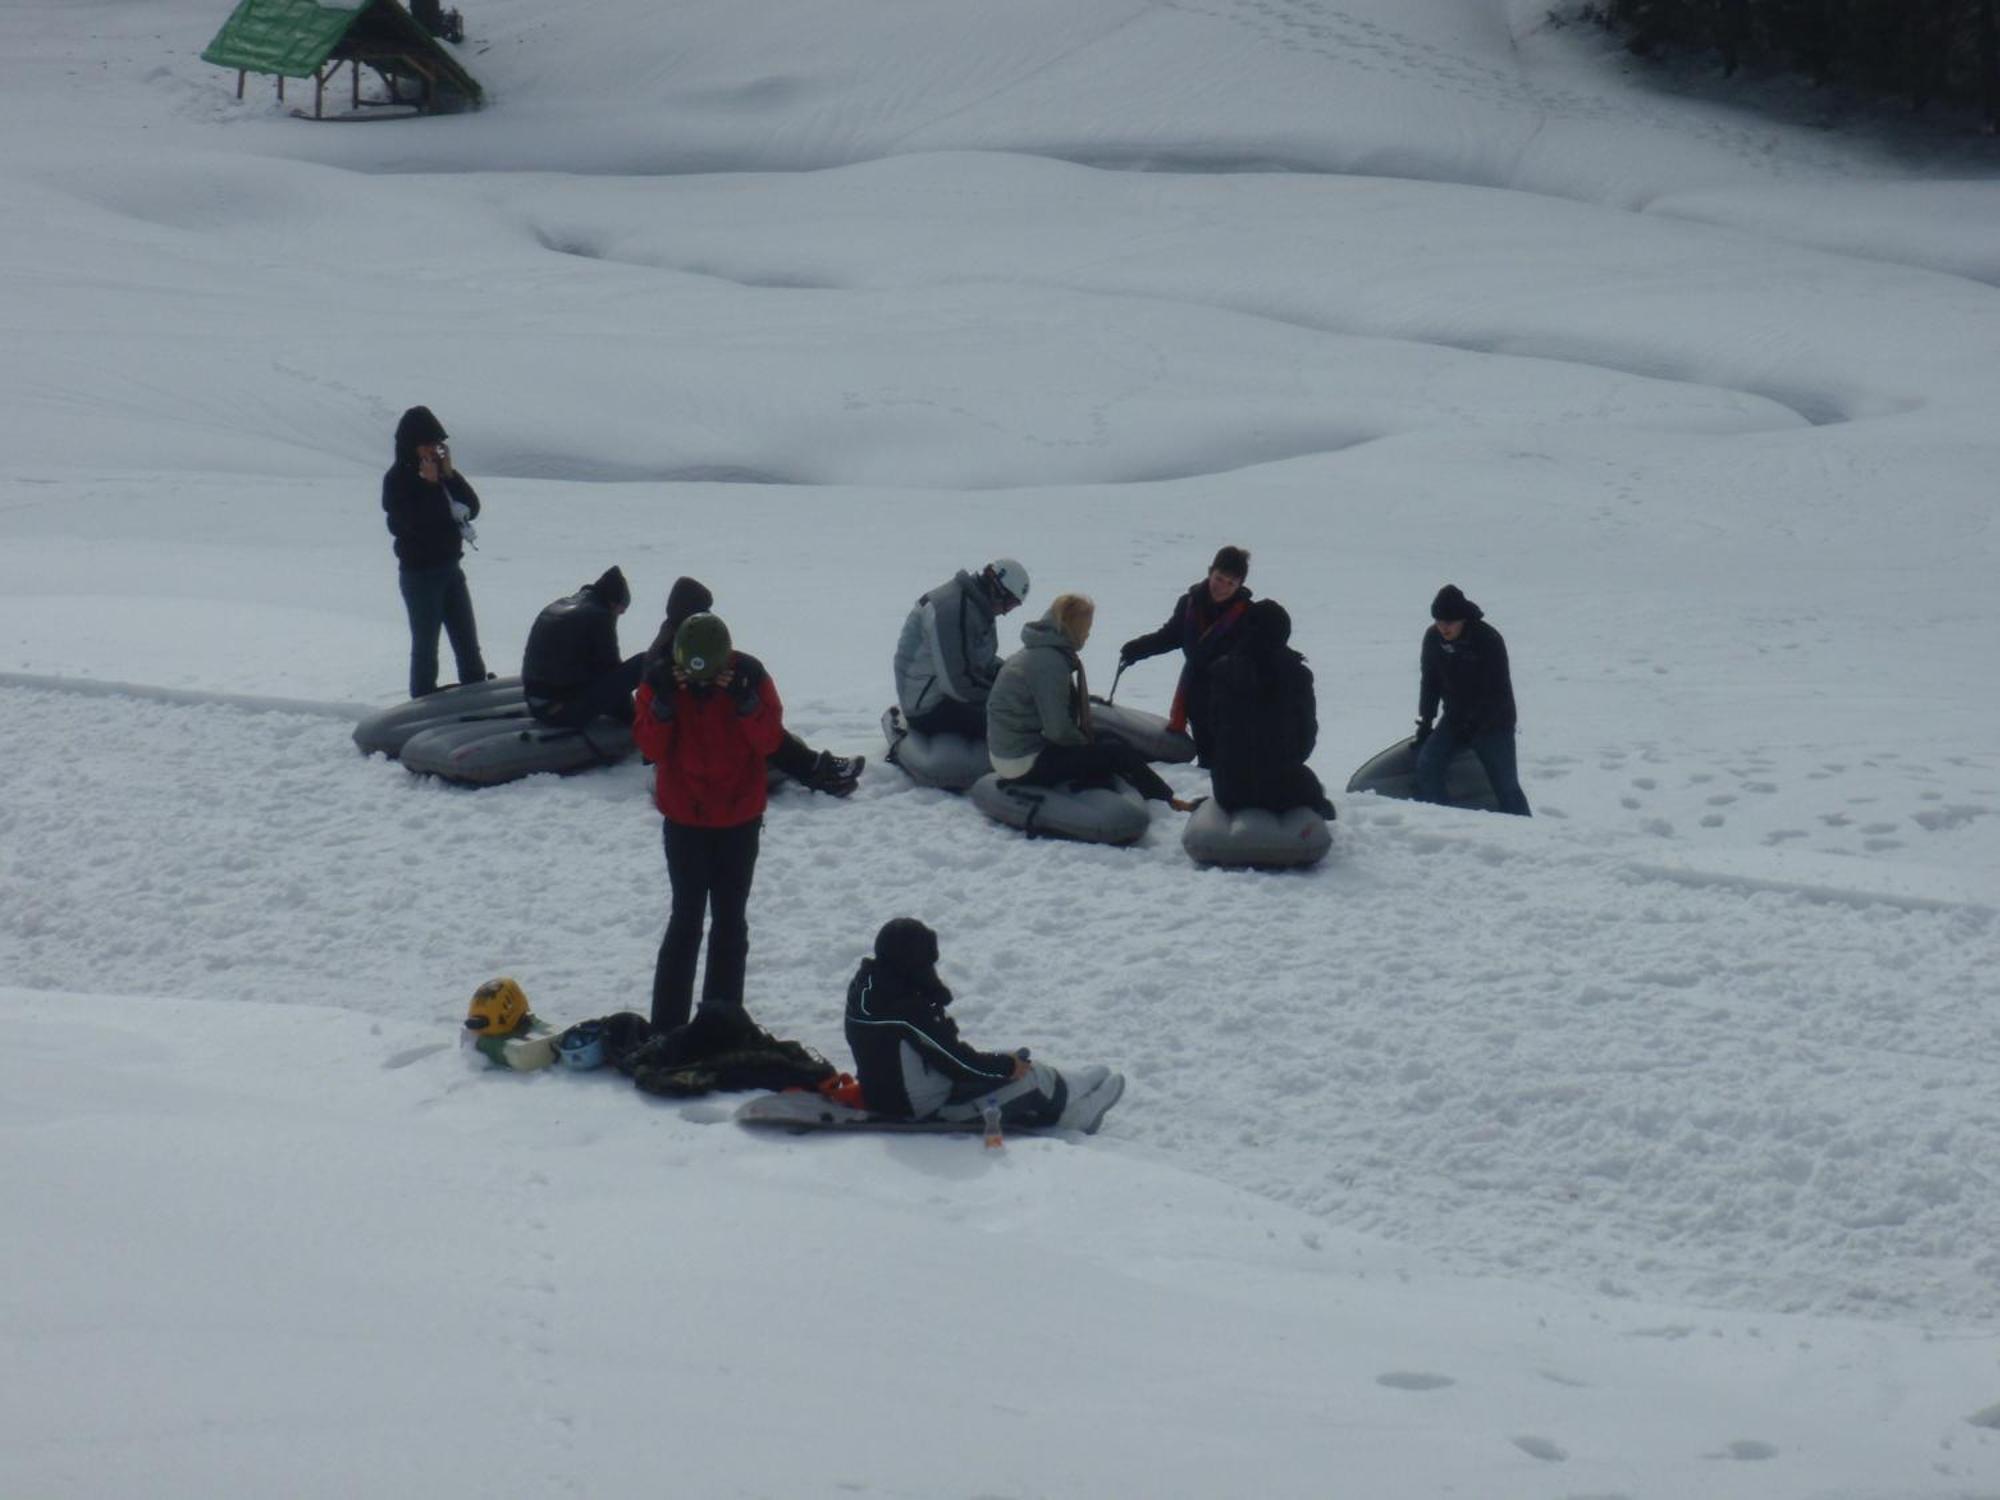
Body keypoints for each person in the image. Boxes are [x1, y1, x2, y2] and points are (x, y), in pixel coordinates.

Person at [632, 612, 784, 1033]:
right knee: (686, 919)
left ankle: (721, 1021)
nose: (698, 687)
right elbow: (648, 746)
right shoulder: (661, 680)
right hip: (685, 820)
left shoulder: (750, 675)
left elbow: (771, 740)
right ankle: (667, 1025)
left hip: (739, 819)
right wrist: (662, 707)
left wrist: (746, 704)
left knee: (730, 921)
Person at [641, 576, 862, 796]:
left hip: (697, 752)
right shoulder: (671, 660)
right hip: (693, 761)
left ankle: (815, 767)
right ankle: (817, 771)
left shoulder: (670, 642)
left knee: (769, 733)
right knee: (769, 739)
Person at [986, 593, 1185, 806]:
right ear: (1072, 627)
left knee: (1108, 739)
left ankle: (1155, 793)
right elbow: (1058, 730)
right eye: (1086, 627)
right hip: (1021, 761)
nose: (1088, 634)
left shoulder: (1040, 651)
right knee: (1114, 752)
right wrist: (1089, 747)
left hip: (1017, 749)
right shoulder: (1048, 663)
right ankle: (1168, 801)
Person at [382, 405, 487, 698]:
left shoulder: (443, 475)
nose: (435, 450)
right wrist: (429, 486)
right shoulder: (397, 480)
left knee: (467, 641)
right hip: (420, 576)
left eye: (438, 444)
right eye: (429, 443)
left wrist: (449, 475)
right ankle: (423, 702)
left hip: (451, 569)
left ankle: (478, 696)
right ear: (412, 445)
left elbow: (472, 508)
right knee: (426, 647)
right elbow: (414, 523)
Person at [1118, 545, 1254, 767]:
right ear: (1210, 572)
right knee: (1207, 763)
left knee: (1229, 761)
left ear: (1240, 585)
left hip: (1230, 701)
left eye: (1231, 583)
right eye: (1219, 578)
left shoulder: (1248, 614)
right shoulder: (1190, 603)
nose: (1223, 587)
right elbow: (1171, 636)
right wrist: (1138, 648)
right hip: (1196, 696)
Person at [1206, 599, 1335, 818]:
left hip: (1229, 788)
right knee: (1320, 801)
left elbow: (1213, 728)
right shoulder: (1298, 676)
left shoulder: (1221, 671)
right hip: (1282, 787)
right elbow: (1306, 737)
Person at [1415, 584, 1531, 816]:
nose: (1443, 627)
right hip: (1456, 718)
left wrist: (1475, 723)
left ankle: (1525, 828)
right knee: (1428, 763)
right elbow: (1430, 682)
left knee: (1505, 785)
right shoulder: (1433, 638)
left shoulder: (1487, 639)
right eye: (1439, 621)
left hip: (1494, 722)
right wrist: (1426, 722)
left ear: (1463, 619)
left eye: (1449, 622)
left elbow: (1495, 689)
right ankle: (1441, 819)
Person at [892, 559, 1030, 738]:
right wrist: (1007, 698)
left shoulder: (975, 605)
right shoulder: (952, 611)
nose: (1006, 612)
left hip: (941, 693)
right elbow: (958, 685)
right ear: (997, 590)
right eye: (1010, 604)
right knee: (1019, 724)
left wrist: (1012, 676)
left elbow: (981, 661)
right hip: (926, 706)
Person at [522, 566, 642, 728]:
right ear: (613, 602)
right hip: (559, 710)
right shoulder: (599, 616)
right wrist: (631, 716)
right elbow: (611, 669)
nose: (619, 616)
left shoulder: (562, 604)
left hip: (535, 702)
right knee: (642, 663)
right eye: (621, 611)